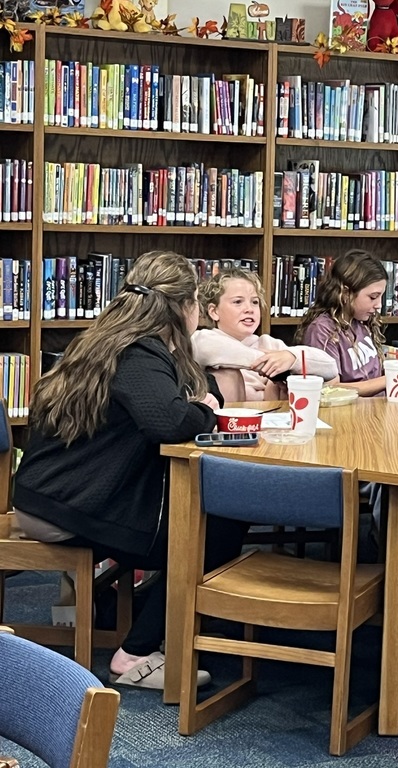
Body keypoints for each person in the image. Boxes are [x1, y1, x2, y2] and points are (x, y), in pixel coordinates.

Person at [11, 251, 248, 690]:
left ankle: (141, 611)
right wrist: (207, 414)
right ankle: (134, 654)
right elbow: (171, 422)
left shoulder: (104, 338)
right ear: (185, 306)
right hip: (70, 506)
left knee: (199, 519)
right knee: (215, 526)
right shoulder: (139, 351)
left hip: (48, 495)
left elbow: (196, 392)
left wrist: (199, 398)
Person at [296, 249, 398, 397]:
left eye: (381, 296)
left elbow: (369, 373)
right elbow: (330, 389)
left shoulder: (361, 321)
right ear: (345, 293)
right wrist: (392, 379)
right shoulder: (322, 331)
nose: (379, 305)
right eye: (373, 297)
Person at [192, 267, 339, 401]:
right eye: (238, 302)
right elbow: (209, 349)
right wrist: (269, 363)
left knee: (294, 381)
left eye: (255, 302)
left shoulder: (268, 344)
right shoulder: (204, 338)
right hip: (231, 419)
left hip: (272, 417)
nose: (249, 309)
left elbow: (331, 367)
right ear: (214, 311)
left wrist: (291, 358)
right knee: (227, 374)